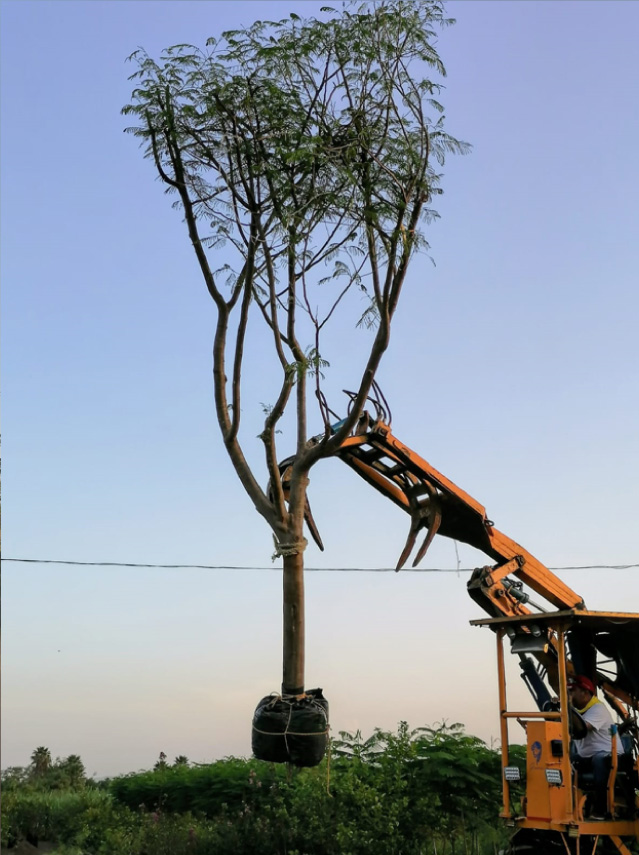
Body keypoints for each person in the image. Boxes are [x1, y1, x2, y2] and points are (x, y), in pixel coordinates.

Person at [569, 674, 624, 819]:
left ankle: (601, 809)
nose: (570, 695)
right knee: (563, 760)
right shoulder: (576, 712)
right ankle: (569, 806)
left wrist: (567, 708)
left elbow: (581, 728)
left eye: (572, 691)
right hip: (588, 757)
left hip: (610, 757)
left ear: (585, 693)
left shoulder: (597, 708)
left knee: (599, 760)